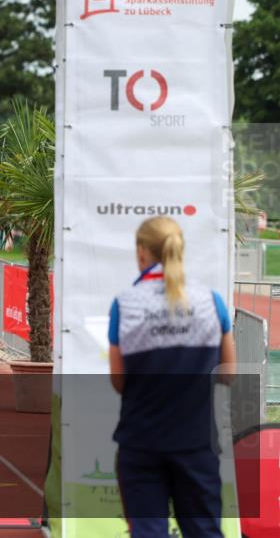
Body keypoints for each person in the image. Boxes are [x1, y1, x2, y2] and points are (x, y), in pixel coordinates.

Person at [107, 216, 236, 537]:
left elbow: (119, 382)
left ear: (141, 253)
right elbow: (228, 375)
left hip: (141, 442)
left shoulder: (125, 305)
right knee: (204, 531)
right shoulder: (212, 302)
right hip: (196, 442)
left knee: (148, 531)